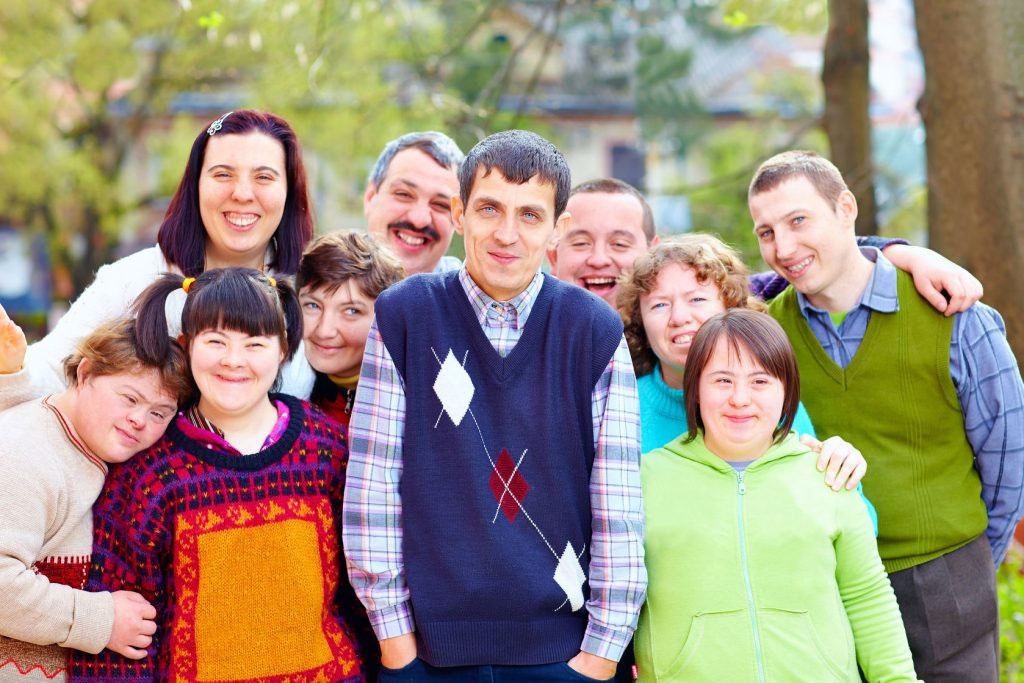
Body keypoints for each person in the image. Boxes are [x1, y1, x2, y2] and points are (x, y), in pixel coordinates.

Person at [343, 130, 644, 682]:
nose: (507, 233)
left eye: (530, 215)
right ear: (460, 213)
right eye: (488, 209)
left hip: (564, 653)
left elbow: (618, 504)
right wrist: (397, 647)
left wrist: (599, 659)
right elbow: (374, 487)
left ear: (558, 228)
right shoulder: (405, 318)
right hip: (427, 656)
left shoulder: (592, 330)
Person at [752, 150, 1024, 680]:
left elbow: (1009, 467)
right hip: (823, 586)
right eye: (765, 232)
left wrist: (964, 566)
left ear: (846, 208)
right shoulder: (765, 333)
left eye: (798, 220)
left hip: (945, 581)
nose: (783, 247)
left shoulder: (958, 319)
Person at [68, 268, 367, 682]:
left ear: (283, 350)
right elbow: (119, 624)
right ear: (187, 345)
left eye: (255, 343)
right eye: (215, 341)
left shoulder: (329, 450)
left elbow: (364, 593)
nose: (233, 359)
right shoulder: (150, 472)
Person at [635, 308, 918, 682]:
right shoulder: (646, 480)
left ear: (787, 391)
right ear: (695, 388)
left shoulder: (826, 474)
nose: (740, 398)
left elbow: (867, 596)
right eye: (722, 380)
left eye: (760, 381)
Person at [8, 110, 316, 401]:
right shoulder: (134, 279)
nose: (242, 193)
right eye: (223, 174)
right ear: (195, 186)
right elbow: (49, 370)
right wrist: (12, 366)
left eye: (264, 177)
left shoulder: (312, 289)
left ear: (289, 191)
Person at [0, 315, 191, 681]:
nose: (139, 419)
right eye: (129, 398)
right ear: (85, 373)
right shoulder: (24, 450)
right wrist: (101, 620)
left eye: (158, 413)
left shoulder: (93, 451)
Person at [548, 178, 984, 313]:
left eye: (620, 242)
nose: (599, 258)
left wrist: (901, 252)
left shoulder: (694, 309)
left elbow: (799, 268)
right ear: (552, 250)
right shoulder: (533, 329)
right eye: (580, 241)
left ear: (652, 251)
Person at [298, 231, 405, 430]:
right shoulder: (282, 382)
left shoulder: (406, 402)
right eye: (313, 306)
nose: (324, 331)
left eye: (351, 311)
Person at [364, 131, 465, 276]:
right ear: (370, 197)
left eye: (440, 205)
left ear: (457, 218)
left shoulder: (470, 297)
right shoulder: (323, 282)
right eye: (404, 194)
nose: (419, 220)